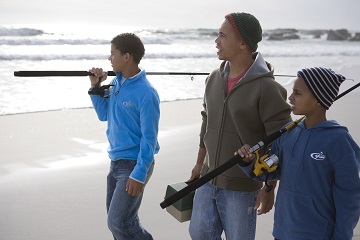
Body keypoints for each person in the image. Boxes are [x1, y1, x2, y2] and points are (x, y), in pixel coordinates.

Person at [187, 12, 292, 239]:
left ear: (243, 43)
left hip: (242, 188)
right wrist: (198, 163)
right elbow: (207, 121)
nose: (216, 41)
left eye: (222, 36)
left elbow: (280, 142)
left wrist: (268, 187)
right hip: (206, 178)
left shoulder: (268, 88)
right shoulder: (213, 78)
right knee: (198, 234)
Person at [237, 67, 360, 239]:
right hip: (282, 231)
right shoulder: (287, 134)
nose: (290, 97)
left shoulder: (339, 140)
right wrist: (248, 162)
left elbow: (349, 197)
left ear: (318, 99)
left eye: (298, 93)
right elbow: (268, 170)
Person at [88, 33, 160, 240]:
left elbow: (150, 138)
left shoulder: (147, 93)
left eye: (113, 54)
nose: (109, 58)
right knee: (121, 223)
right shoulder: (116, 85)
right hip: (115, 162)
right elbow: (104, 115)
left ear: (126, 57)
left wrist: (139, 172)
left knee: (117, 222)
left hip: (134, 165)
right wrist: (96, 87)